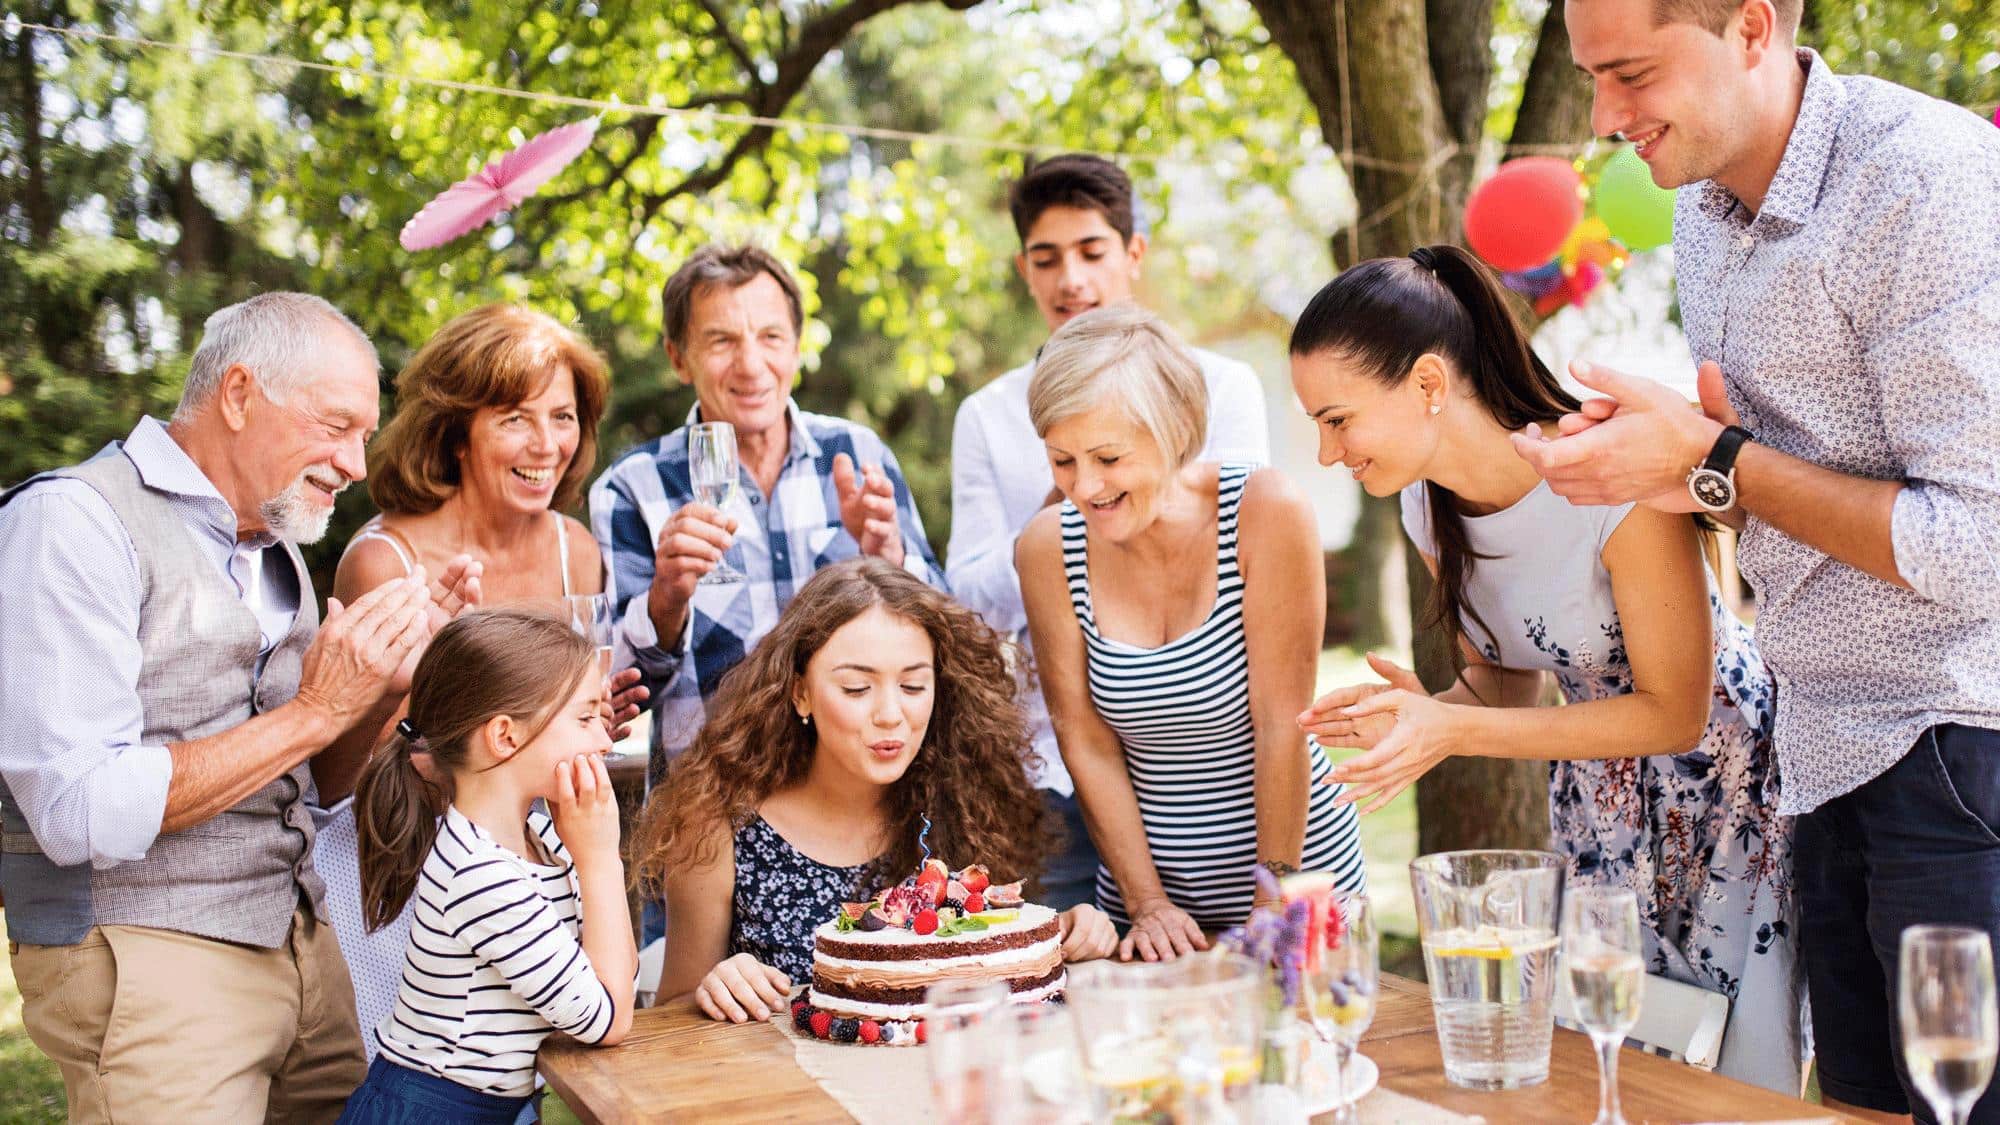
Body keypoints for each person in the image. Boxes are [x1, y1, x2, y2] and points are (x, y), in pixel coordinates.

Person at [1512, 0, 2000, 1116]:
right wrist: (1662, 464)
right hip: (1818, 744)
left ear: (1746, 29)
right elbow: (1771, 480)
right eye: (1591, 78)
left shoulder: (1920, 184)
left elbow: (1973, 546)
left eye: (1628, 73)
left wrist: (1710, 458)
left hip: (1955, 748)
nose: (1601, 116)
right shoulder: (1702, 208)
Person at [1290, 245, 1801, 1092]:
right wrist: (1430, 711)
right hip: (1597, 808)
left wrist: (1458, 725)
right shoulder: (1426, 503)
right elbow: (1508, 679)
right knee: (1603, 1066)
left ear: (1426, 385)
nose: (1324, 452)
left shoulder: (1603, 473)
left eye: (1337, 418)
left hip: (1728, 795)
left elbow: (1676, 711)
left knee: (1727, 1086)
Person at [0, 292, 474, 1123]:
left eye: (364, 434)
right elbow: (76, 808)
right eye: (338, 426)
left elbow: (310, 782)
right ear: (241, 391)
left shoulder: (273, 543)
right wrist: (316, 710)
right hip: (145, 955)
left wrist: (387, 684)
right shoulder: (71, 520)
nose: (358, 464)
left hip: (298, 945)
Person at [316, 302, 645, 1066]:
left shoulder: (576, 553)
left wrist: (586, 722)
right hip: (404, 867)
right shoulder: (385, 562)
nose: (547, 445)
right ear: (456, 428)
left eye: (562, 416)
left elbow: (548, 718)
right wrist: (410, 699)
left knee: (518, 1074)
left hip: (535, 853)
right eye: (514, 418)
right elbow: (333, 781)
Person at [949, 153, 1272, 912]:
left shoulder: (1221, 388)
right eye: (1046, 258)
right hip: (1056, 772)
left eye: (1092, 251)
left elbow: (1225, 553)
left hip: (1209, 763)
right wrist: (1063, 496)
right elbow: (974, 602)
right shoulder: (989, 417)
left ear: (1133, 254)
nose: (1071, 279)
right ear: (1024, 271)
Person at [1015, 303, 1363, 962]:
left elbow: (1281, 722)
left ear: (1174, 431)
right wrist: (1146, 901)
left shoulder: (1266, 513)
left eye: (1107, 456)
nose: (1083, 486)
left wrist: (1272, 899)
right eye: (1062, 461)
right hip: (1151, 905)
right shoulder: (1046, 550)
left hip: (1294, 876)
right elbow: (1083, 739)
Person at [630, 557, 1117, 1022]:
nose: (890, 714)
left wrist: (1071, 933)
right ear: (800, 691)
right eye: (857, 689)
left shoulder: (963, 804)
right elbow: (675, 1014)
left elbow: (993, 964)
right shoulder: (718, 828)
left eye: (912, 687)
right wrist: (715, 986)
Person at [590, 244, 945, 787]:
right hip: (710, 806)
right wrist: (666, 598)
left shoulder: (857, 451)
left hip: (861, 804)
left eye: (770, 337)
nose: (751, 365)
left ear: (797, 348)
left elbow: (944, 635)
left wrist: (890, 559)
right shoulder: (632, 487)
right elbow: (617, 695)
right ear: (678, 357)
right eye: (721, 341)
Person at [343, 610, 636, 1122]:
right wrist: (600, 860)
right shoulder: (480, 874)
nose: (604, 742)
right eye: (586, 718)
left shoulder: (543, 837)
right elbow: (608, 1019)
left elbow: (617, 974)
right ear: (505, 736)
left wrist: (591, 857)